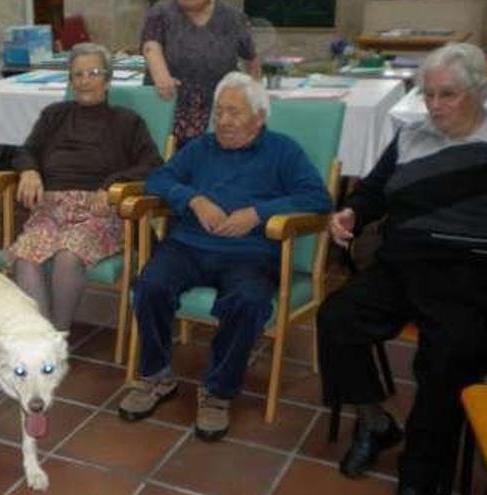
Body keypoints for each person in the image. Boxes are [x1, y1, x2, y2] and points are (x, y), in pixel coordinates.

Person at [317, 43, 487, 495]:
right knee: (337, 318)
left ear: (481, 90)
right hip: (402, 265)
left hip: (469, 273)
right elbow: (372, 191)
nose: (435, 106)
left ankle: (421, 475)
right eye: (428, 94)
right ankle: (375, 422)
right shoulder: (411, 136)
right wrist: (352, 213)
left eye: (448, 95)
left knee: (448, 357)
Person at [117, 72, 331, 440]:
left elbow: (318, 199)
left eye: (234, 113)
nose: (224, 121)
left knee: (247, 301)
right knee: (151, 282)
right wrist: (194, 200)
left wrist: (257, 213)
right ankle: (156, 377)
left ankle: (218, 393)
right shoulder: (201, 148)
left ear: (259, 117)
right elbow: (158, 180)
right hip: (189, 245)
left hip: (250, 254)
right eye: (220, 112)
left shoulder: (283, 151)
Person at [9, 42, 163, 332]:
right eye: (77, 74)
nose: (84, 81)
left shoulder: (127, 122)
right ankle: (41, 340)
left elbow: (154, 164)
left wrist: (113, 184)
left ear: (107, 79)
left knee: (69, 256)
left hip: (99, 211)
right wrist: (29, 170)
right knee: (25, 258)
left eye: (93, 73)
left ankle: (58, 334)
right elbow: (26, 151)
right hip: (50, 209)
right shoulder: (54, 115)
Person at [141, 0, 261, 148]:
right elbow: (151, 46)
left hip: (218, 115)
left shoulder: (233, 17)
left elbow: (251, 60)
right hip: (170, 111)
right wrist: (161, 77)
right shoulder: (161, 11)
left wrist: (253, 97)